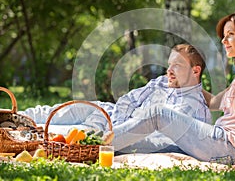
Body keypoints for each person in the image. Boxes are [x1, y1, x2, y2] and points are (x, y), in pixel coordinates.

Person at [111, 12, 235, 171]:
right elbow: (213, 103)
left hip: (229, 146)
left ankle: (95, 143)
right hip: (217, 143)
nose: (224, 41)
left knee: (158, 113)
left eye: (230, 34)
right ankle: (95, 149)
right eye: (223, 36)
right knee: (143, 143)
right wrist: (185, 78)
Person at [21, 44, 210, 153]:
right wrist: (113, 118)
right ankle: (15, 116)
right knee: (69, 109)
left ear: (195, 71)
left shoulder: (192, 108)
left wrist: (112, 133)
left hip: (118, 135)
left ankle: (24, 136)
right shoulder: (162, 81)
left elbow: (160, 143)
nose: (169, 70)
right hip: (112, 113)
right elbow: (130, 99)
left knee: (66, 133)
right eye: (169, 64)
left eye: (177, 65)